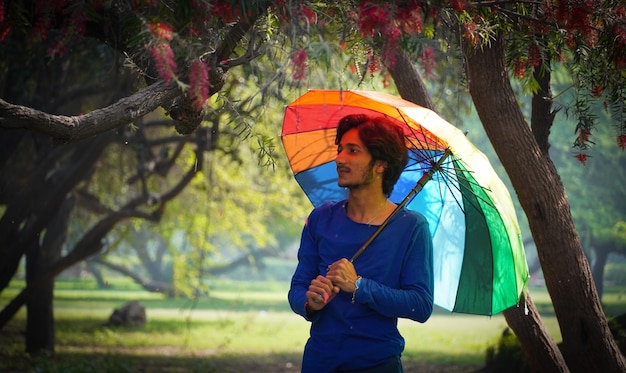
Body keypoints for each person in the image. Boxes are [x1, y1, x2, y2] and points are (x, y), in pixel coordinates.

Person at [288, 113, 434, 373]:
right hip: (319, 362)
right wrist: (311, 303)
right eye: (340, 149)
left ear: (381, 164)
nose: (340, 159)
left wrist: (359, 286)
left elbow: (420, 305)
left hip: (378, 364)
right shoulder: (321, 218)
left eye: (353, 151)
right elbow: (298, 287)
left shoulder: (410, 227)